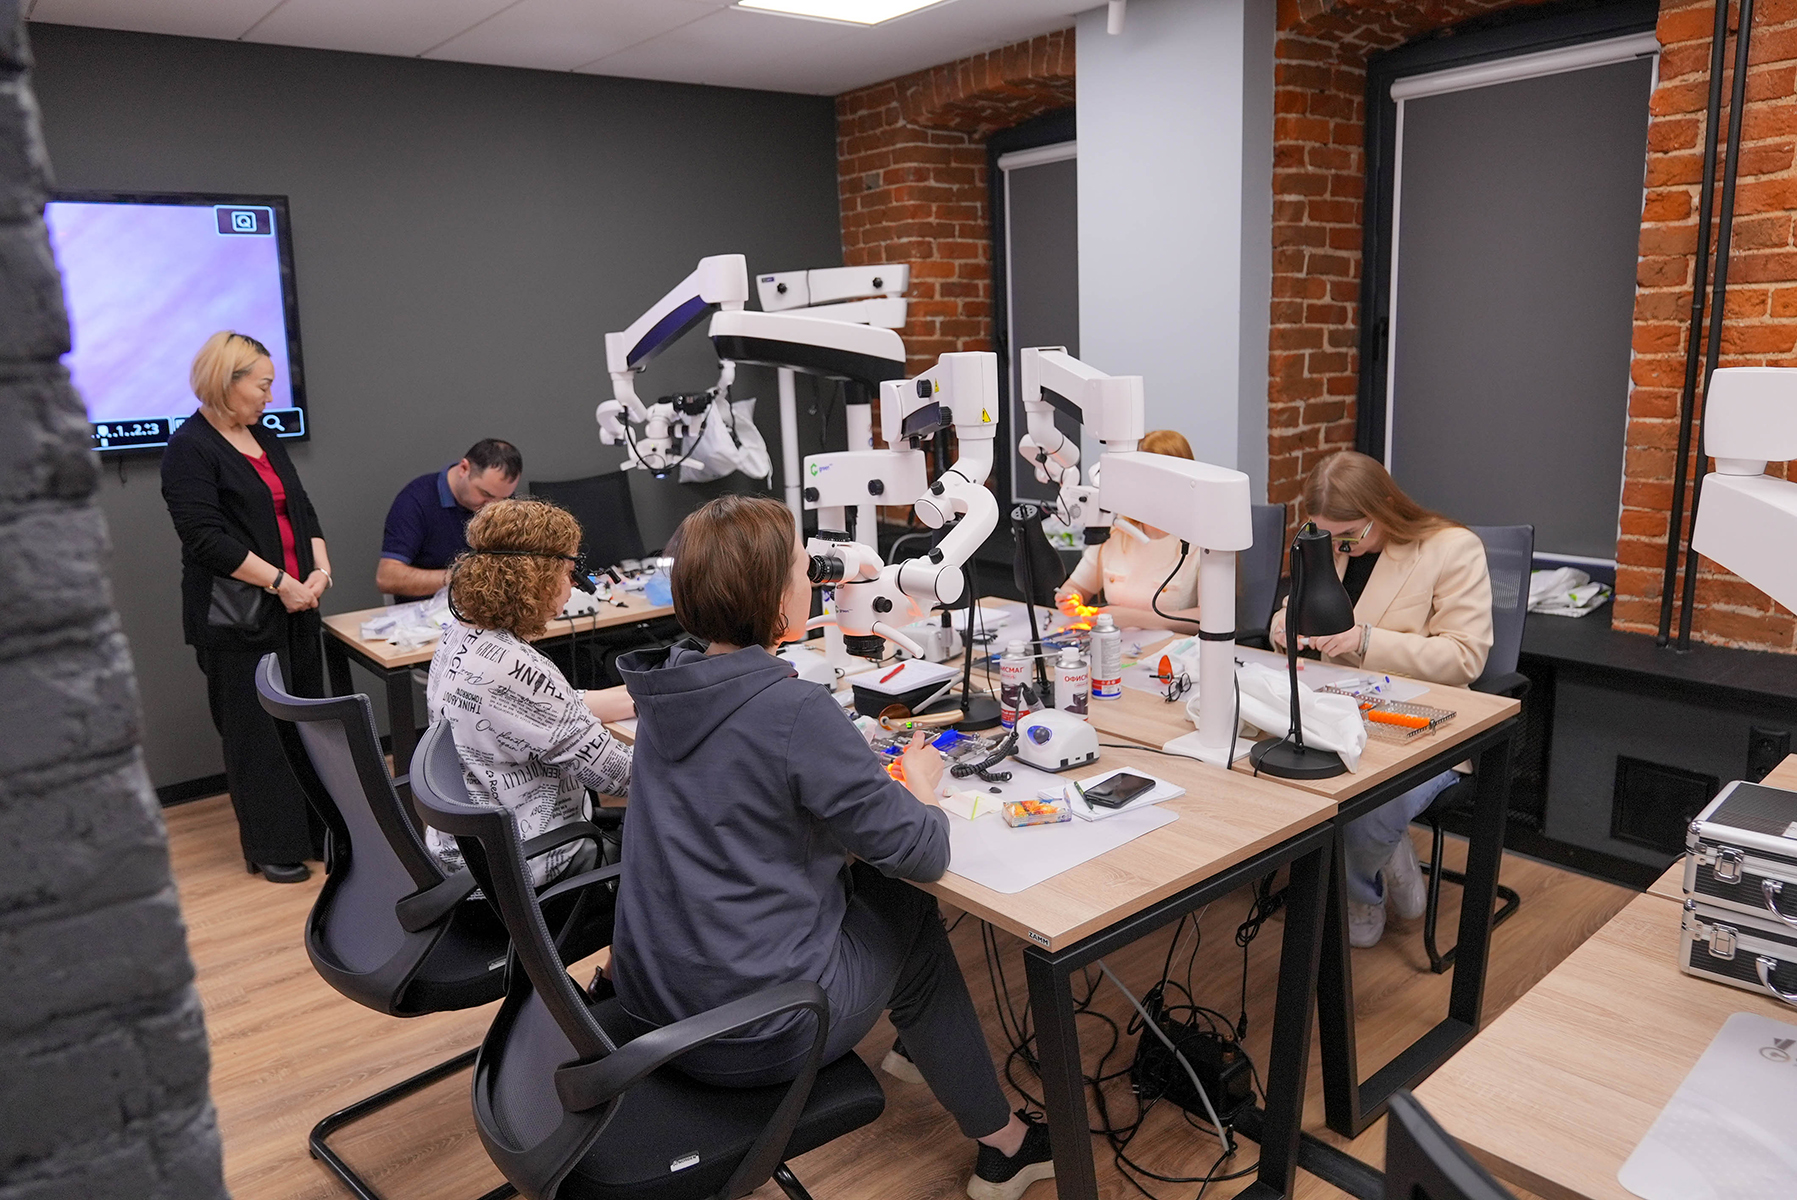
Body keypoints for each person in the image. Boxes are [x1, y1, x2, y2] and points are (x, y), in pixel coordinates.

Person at [612, 495, 1055, 1200]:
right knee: (908, 907)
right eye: (802, 568)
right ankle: (1005, 1144)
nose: (814, 580)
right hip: (750, 1035)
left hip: (653, 1008)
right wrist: (922, 786)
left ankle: (923, 1050)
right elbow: (921, 852)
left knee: (877, 896)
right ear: (773, 597)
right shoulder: (791, 709)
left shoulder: (668, 685)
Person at [1271, 451, 1493, 948]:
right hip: (1333, 711)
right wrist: (1284, 629)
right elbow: (1290, 612)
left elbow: (1466, 658)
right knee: (1272, 769)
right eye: (1329, 536)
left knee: (1367, 809)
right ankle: (1380, 859)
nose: (1340, 547)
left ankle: (1360, 892)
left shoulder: (1452, 549)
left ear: (1385, 508)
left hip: (1424, 725)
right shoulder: (1328, 545)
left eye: (1350, 535)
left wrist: (1366, 640)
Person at [162, 331, 333, 884]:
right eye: (262, 385)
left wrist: (320, 570)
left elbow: (301, 508)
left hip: (297, 605)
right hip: (238, 619)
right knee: (256, 736)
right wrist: (281, 582)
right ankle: (270, 845)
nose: (269, 396)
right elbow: (205, 538)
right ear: (225, 381)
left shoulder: (264, 434)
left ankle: (316, 833)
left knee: (307, 725)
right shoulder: (190, 448)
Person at [426, 498, 635, 887]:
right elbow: (622, 778)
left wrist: (640, 696)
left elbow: (539, 711)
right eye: (570, 573)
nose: (574, 587)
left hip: (472, 864)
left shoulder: (460, 634)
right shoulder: (516, 668)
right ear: (538, 577)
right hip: (535, 868)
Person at [1054, 429, 1203, 633]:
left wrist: (1132, 618)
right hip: (1116, 644)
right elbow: (1076, 587)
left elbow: (1208, 619)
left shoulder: (1202, 541)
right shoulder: (1116, 529)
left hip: (1172, 649)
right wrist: (1070, 597)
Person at [377, 439, 523, 602]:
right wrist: (460, 577)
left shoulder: (501, 505)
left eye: (503, 499)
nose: (492, 507)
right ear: (464, 469)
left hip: (487, 606)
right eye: (486, 494)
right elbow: (387, 578)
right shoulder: (415, 501)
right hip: (428, 610)